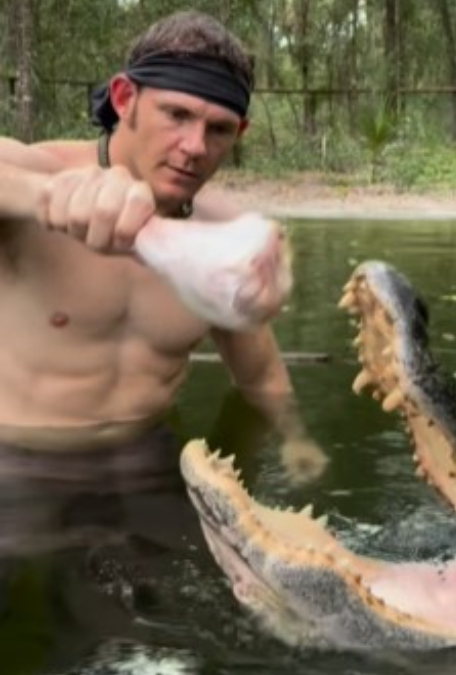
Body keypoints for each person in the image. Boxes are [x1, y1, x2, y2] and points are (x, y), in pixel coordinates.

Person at [0, 11, 325, 481]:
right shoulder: (37, 176)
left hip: (146, 464)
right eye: (177, 115)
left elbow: (261, 379)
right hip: (18, 466)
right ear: (124, 98)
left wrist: (297, 439)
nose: (195, 146)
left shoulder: (221, 242)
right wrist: (46, 197)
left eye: (218, 129)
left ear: (240, 134)